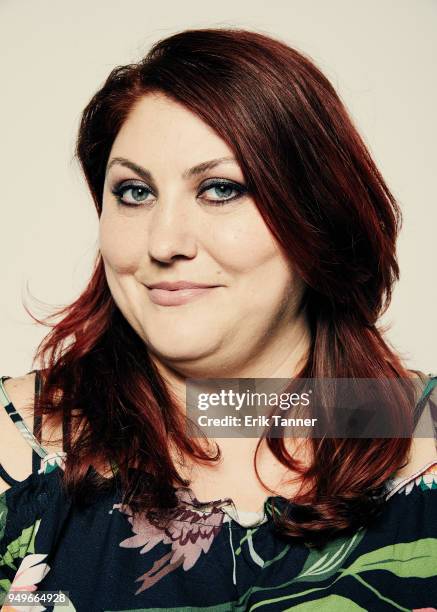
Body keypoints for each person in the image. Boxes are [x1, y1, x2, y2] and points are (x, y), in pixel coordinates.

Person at [0, 26, 436, 611]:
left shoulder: (424, 436)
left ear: (318, 213)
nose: (165, 241)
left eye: (220, 188)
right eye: (133, 192)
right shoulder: (14, 446)